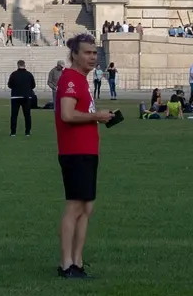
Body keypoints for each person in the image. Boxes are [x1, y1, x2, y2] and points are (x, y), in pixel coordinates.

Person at [55, 33, 115, 281]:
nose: (92, 57)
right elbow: (68, 115)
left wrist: (99, 117)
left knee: (86, 207)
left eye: (94, 53)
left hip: (87, 150)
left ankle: (77, 261)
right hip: (74, 151)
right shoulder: (70, 79)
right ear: (75, 55)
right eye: (87, 53)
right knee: (75, 207)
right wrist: (96, 116)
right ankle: (66, 263)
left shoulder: (82, 81)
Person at [7, 60, 36, 137]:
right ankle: (27, 132)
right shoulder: (29, 74)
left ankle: (13, 132)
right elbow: (33, 85)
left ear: (18, 65)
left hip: (15, 96)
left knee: (14, 115)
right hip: (27, 97)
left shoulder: (13, 74)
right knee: (27, 115)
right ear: (24, 65)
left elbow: (9, 85)